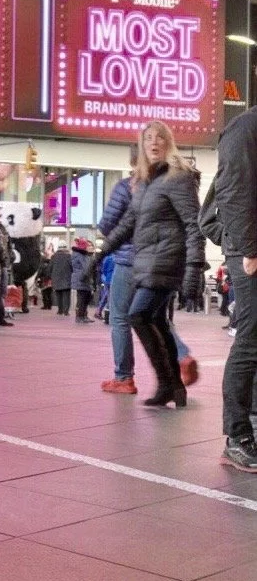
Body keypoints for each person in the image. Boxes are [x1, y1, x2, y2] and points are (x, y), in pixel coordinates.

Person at [94, 122, 205, 408]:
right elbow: (127, 224)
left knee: (138, 315)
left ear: (169, 143)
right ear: (142, 147)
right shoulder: (145, 183)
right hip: (147, 260)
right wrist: (99, 254)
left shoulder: (177, 178)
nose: (154, 143)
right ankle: (174, 388)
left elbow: (194, 224)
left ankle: (166, 383)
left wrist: (194, 267)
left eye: (159, 138)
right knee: (154, 319)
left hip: (166, 260)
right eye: (148, 139)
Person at [212, 103, 257, 470]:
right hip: (250, 253)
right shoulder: (245, 128)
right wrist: (249, 248)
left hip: (248, 247)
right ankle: (237, 436)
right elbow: (232, 192)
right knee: (250, 341)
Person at [70, 238, 95, 323]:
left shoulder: (83, 255)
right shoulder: (80, 255)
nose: (90, 247)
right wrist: (84, 277)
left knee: (86, 297)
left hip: (83, 279)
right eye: (88, 246)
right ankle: (80, 316)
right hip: (82, 279)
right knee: (82, 299)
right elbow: (86, 268)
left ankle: (83, 315)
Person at [48, 243, 73, 315]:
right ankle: (66, 311)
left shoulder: (53, 257)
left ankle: (60, 310)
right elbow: (72, 267)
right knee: (66, 296)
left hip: (56, 278)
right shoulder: (69, 256)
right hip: (67, 278)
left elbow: (50, 268)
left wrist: (50, 276)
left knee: (58, 295)